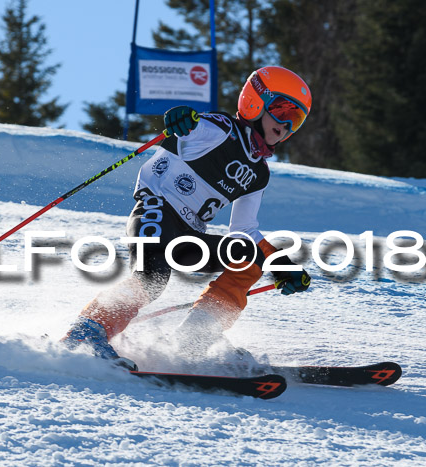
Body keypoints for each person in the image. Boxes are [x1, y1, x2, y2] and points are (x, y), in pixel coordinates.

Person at [63, 66, 312, 370]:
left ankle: (192, 341)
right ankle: (86, 333)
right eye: (282, 110)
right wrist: (182, 118)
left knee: (249, 258)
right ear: (255, 101)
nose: (286, 125)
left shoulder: (258, 173)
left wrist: (279, 263)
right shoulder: (220, 129)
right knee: (152, 278)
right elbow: (192, 127)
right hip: (156, 210)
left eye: (296, 120)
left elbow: (245, 229)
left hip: (189, 233)